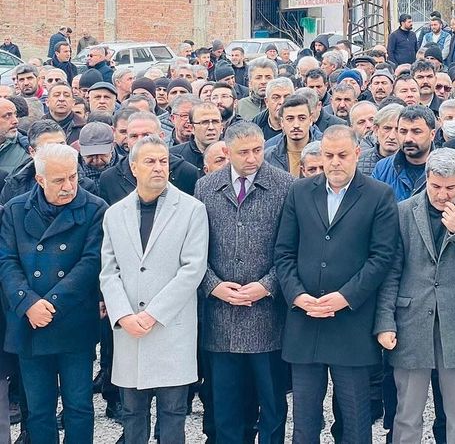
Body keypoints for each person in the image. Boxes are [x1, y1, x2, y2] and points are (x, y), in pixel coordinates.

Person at [275, 124, 399, 444]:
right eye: (328, 155)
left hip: (351, 323)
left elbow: (381, 258)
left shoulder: (378, 195)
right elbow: (284, 252)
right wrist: (297, 296)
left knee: (355, 420)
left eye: (342, 155)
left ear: (357, 153)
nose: (334, 162)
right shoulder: (300, 191)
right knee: (304, 421)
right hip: (305, 321)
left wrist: (344, 297)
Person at [375, 148, 455, 444]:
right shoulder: (403, 211)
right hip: (411, 320)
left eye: (451, 188)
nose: (443, 195)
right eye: (436, 186)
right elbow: (391, 273)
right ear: (427, 178)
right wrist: (385, 321)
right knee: (407, 413)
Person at [99, 134, 209, 444]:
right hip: (130, 330)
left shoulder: (191, 210)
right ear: (133, 167)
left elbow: (192, 269)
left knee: (173, 414)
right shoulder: (114, 214)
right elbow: (109, 271)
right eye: (150, 161)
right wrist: (123, 315)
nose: (158, 167)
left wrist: (153, 314)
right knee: (133, 414)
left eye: (163, 161)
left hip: (170, 327)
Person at [0, 143, 106, 444]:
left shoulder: (94, 208)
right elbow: (6, 260)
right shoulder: (16, 209)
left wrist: (52, 303)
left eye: (73, 177)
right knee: (39, 409)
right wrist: (29, 303)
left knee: (79, 406)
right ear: (40, 179)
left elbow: (90, 263)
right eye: (59, 180)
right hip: (30, 322)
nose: (68, 186)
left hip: (72, 319)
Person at [194, 121, 293, 444]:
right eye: (243, 152)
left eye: (258, 150)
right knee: (225, 406)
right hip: (221, 317)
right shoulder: (206, 187)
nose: (252, 158)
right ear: (227, 151)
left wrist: (268, 285)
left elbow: (291, 248)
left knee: (273, 405)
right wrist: (213, 285)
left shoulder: (284, 186)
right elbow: (196, 250)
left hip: (267, 316)